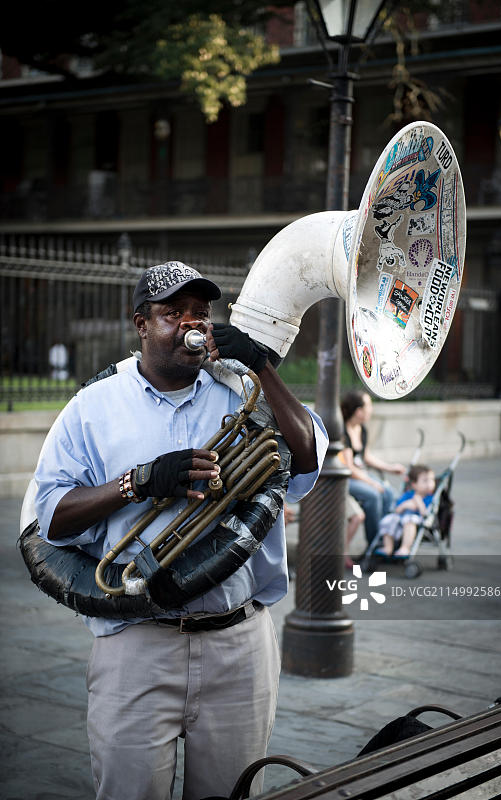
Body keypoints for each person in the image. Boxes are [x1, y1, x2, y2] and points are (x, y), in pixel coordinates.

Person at [33, 261, 328, 800]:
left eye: (200, 313)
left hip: (240, 644)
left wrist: (263, 366)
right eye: (173, 313)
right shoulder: (92, 407)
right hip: (136, 643)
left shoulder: (243, 390)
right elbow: (48, 516)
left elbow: (306, 458)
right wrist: (138, 483)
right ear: (141, 324)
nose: (192, 324)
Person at [340, 390, 405, 546]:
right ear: (359, 411)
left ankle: (387, 537)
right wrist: (371, 482)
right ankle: (374, 542)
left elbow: (366, 457)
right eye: (369, 406)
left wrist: (390, 468)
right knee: (374, 495)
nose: (371, 409)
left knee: (389, 493)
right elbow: (348, 467)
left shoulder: (362, 429)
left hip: (360, 475)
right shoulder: (343, 431)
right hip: (347, 478)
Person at [377, 464, 436, 557]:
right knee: (389, 520)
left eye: (432, 480)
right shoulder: (408, 495)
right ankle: (388, 547)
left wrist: (418, 502)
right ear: (414, 484)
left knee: (409, 520)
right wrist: (405, 505)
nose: (429, 484)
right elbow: (397, 509)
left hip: (416, 520)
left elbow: (425, 513)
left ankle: (405, 548)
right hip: (400, 518)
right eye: (425, 481)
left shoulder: (430, 498)